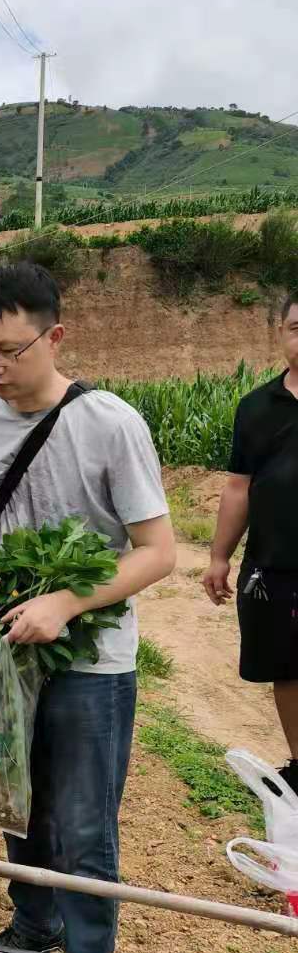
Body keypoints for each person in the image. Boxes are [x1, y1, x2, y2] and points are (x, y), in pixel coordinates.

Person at [0, 261, 176, 953]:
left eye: (9, 351)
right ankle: (34, 929)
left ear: (55, 338)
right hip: (8, 641)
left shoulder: (111, 424)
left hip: (92, 659)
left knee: (83, 822)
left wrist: (67, 602)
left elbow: (158, 552)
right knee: (17, 800)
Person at [203, 292, 298, 795]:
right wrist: (219, 556)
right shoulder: (257, 407)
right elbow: (238, 487)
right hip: (276, 563)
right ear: (281, 333)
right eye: (297, 328)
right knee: (287, 667)